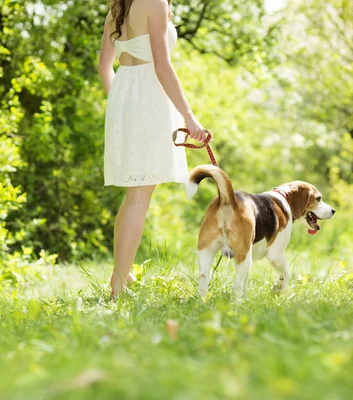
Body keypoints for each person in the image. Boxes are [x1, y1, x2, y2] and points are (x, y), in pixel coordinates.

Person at [98, 0, 207, 298]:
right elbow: (162, 65)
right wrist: (189, 116)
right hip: (149, 97)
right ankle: (118, 284)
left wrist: (119, 104)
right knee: (139, 195)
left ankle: (123, 272)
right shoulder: (154, 2)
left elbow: (104, 66)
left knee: (135, 192)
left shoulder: (118, 7)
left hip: (125, 96)